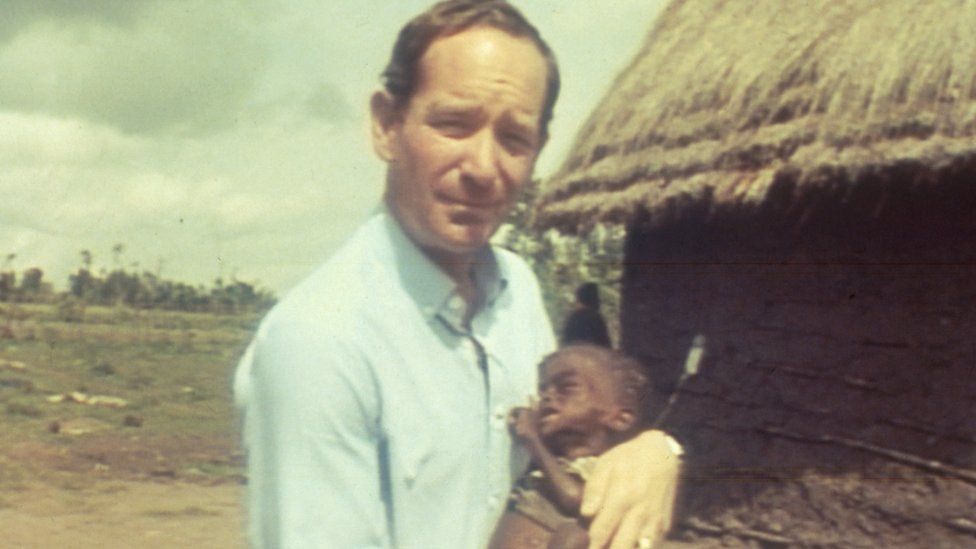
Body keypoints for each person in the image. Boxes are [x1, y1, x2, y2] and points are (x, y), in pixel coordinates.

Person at [234, 1, 682, 547]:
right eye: (453, 125)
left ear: (538, 150)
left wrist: (655, 451)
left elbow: (557, 451)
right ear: (387, 125)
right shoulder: (322, 344)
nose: (482, 168)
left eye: (513, 139)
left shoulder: (516, 290)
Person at [488, 345, 652, 549]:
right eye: (543, 390)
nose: (547, 396)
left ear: (621, 418)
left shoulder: (604, 470)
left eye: (566, 388)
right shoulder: (556, 462)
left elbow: (577, 500)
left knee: (574, 536)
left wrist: (533, 441)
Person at [560, 283, 611, 347]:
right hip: (594, 355)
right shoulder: (598, 318)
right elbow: (605, 345)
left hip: (574, 354)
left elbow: (564, 344)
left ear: (579, 299)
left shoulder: (573, 318)